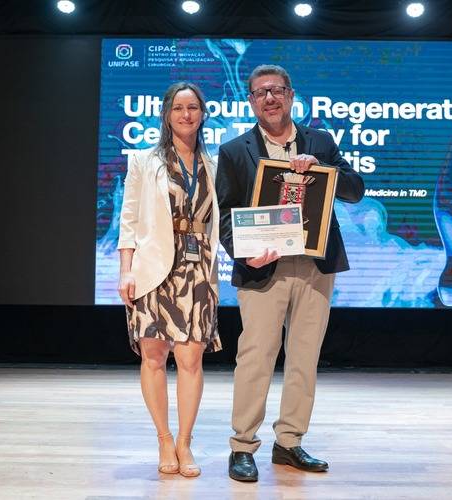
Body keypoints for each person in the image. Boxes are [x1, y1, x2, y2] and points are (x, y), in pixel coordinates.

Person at [215, 64, 364, 482]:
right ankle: (243, 446)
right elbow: (225, 216)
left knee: (304, 358)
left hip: (316, 265)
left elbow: (356, 189)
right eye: (261, 92)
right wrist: (245, 254)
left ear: (291, 95)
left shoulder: (320, 141)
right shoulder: (233, 150)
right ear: (250, 100)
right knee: (255, 356)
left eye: (277, 90)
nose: (270, 98)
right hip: (264, 268)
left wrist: (323, 170)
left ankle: (290, 442)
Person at [117, 82, 220, 478]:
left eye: (193, 107)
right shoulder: (143, 161)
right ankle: (163, 438)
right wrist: (126, 269)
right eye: (178, 107)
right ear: (166, 114)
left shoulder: (214, 164)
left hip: (198, 269)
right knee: (154, 356)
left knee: (191, 358)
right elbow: (129, 219)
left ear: (202, 114)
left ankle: (184, 442)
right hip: (153, 266)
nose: (186, 114)